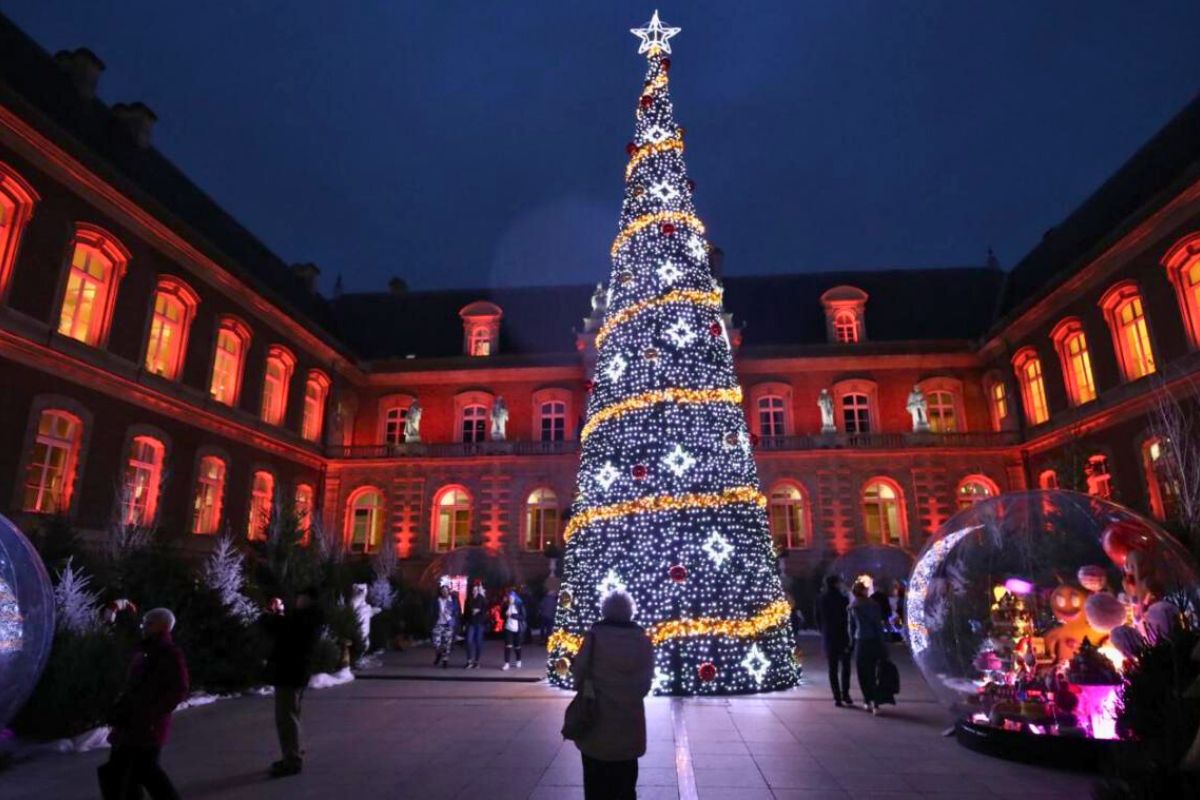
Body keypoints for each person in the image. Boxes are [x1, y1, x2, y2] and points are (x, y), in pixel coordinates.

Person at [98, 607, 189, 800]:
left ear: (162, 626)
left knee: (143, 771)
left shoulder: (167, 652)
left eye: (148, 623)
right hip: (133, 722)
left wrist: (152, 713)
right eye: (144, 623)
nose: (143, 627)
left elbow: (179, 689)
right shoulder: (146, 649)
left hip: (148, 725)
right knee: (128, 771)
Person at [571, 591, 654, 800]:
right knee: (625, 786)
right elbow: (645, 684)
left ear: (605, 610)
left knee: (595, 786)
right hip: (628, 725)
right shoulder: (642, 641)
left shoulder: (593, 638)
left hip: (595, 723)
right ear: (630, 612)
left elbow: (578, 674)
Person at [262, 587, 325, 777]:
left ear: (307, 599)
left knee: (286, 717)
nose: (296, 600)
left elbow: (283, 631)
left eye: (299, 597)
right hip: (296, 673)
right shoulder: (308, 619)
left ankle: (292, 758)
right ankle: (294, 753)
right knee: (291, 714)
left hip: (289, 673)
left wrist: (269, 616)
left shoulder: (304, 620)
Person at [848, 580, 887, 715]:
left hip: (861, 641)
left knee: (862, 672)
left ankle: (867, 699)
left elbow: (851, 628)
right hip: (874, 641)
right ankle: (876, 702)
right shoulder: (874, 605)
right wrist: (882, 643)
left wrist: (851, 644)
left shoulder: (853, 607)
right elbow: (878, 625)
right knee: (874, 671)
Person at [815, 575, 853, 707]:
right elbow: (847, 618)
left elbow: (817, 617)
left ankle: (836, 696)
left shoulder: (821, 599)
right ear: (836, 584)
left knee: (832, 668)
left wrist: (823, 630)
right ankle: (845, 694)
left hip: (829, 636)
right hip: (842, 636)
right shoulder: (843, 599)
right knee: (846, 666)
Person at [430, 582, 460, 668]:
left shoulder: (453, 600)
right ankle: (439, 653)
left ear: (449, 591)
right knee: (436, 643)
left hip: (448, 624)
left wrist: (454, 620)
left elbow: (457, 612)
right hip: (438, 624)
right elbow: (432, 612)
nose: (444, 593)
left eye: (446, 591)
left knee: (447, 643)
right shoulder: (437, 600)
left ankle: (445, 660)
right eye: (443, 591)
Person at [464, 580, 488, 669]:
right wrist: (464, 622)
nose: (474, 591)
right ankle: (469, 661)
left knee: (478, 642)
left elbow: (485, 610)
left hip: (479, 623)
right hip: (470, 623)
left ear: (478, 590)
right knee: (468, 641)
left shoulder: (481, 599)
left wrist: (479, 611)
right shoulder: (468, 599)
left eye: (476, 590)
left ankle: (477, 661)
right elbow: (465, 612)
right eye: (473, 590)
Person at [501, 588, 526, 669]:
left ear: (515, 598)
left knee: (517, 646)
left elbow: (523, 616)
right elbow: (502, 615)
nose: (510, 599)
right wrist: (505, 614)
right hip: (508, 628)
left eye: (512, 598)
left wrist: (512, 615)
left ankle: (518, 660)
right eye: (509, 598)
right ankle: (506, 663)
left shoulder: (519, 605)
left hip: (517, 629)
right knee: (507, 646)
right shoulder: (506, 605)